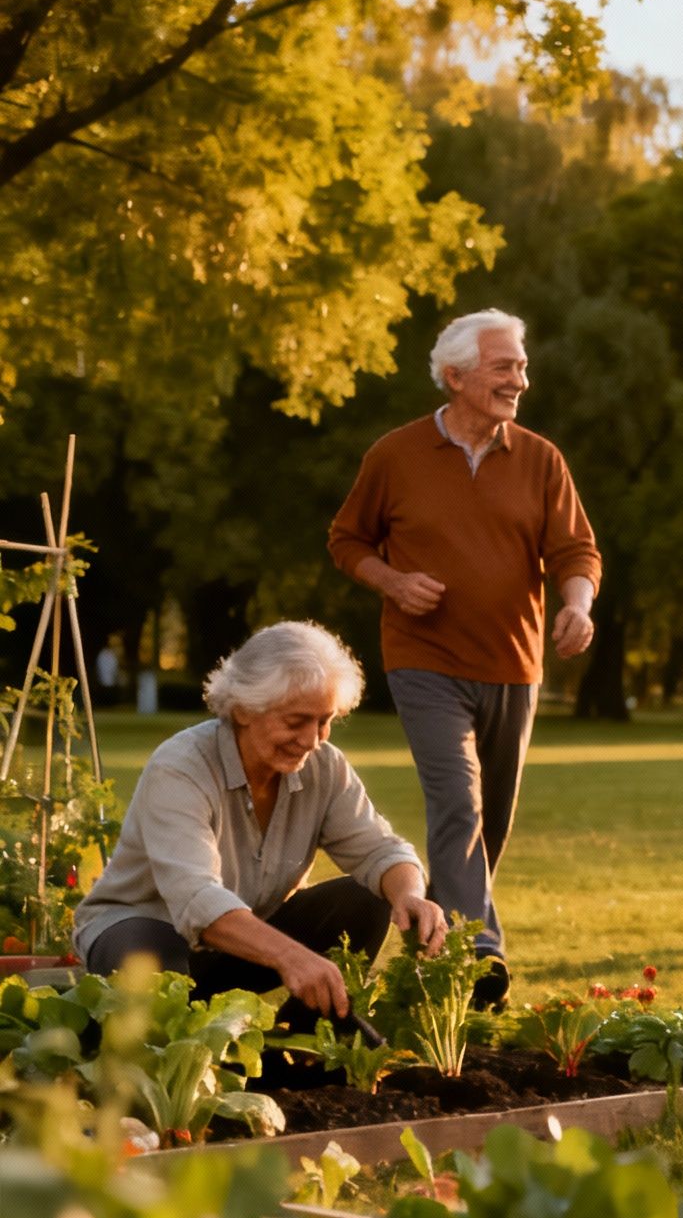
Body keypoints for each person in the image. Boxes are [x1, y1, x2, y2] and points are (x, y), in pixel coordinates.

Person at [327, 309, 600, 1010]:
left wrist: (577, 605)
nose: (520, 381)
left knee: (490, 821)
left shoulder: (540, 459)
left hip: (513, 663)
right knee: (457, 800)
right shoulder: (395, 455)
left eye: (522, 367)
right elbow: (347, 540)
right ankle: (481, 952)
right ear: (455, 376)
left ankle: (440, 948)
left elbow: (576, 551)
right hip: (423, 659)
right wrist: (393, 582)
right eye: (505, 367)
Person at [74, 623, 447, 1024]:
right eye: (296, 721)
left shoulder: (325, 766)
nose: (312, 739)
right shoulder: (180, 767)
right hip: (143, 934)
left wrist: (409, 894)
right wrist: (291, 956)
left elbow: (381, 850)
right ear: (243, 709)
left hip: (239, 945)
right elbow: (197, 901)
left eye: (324, 720)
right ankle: (158, 1047)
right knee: (151, 956)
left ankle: (302, 1043)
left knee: (367, 900)